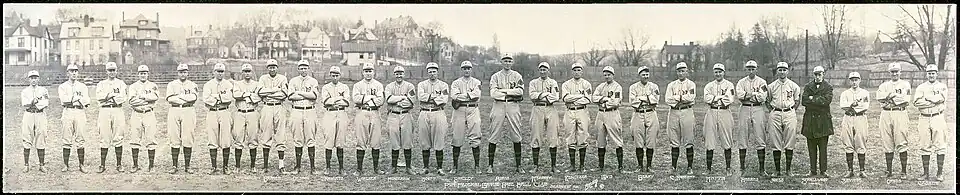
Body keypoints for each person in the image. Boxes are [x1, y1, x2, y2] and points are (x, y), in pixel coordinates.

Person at [487, 54, 526, 174]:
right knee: (494, 133)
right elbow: (493, 93)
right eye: (505, 61)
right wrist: (510, 93)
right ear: (501, 62)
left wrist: (503, 91)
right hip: (498, 105)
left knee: (516, 134)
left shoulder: (517, 75)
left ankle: (519, 165)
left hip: (512, 105)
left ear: (512, 62)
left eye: (509, 61)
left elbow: (520, 91)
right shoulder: (495, 76)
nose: (507, 63)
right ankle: (490, 165)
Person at [875, 62, 911, 179]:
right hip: (886, 113)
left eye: (897, 71)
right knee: (887, 141)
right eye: (892, 71)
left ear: (900, 72)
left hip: (900, 113)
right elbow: (879, 98)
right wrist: (892, 96)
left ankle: (903, 171)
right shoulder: (884, 85)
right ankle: (889, 170)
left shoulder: (905, 84)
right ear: (889, 72)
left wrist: (889, 97)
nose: (894, 73)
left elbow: (906, 100)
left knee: (901, 140)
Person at [766, 62, 802, 177]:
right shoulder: (771, 86)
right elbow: (767, 101)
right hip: (775, 113)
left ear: (788, 71)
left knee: (790, 141)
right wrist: (772, 110)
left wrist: (791, 111)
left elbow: (797, 101)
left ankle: (788, 170)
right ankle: (777, 170)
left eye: (784, 70)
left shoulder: (794, 86)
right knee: (775, 141)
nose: (782, 72)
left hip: (789, 113)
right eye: (780, 70)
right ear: (777, 71)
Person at [913, 64, 948, 182]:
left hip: (937, 117)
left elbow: (942, 99)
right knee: (924, 145)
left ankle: (939, 173)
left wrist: (926, 99)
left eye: (933, 73)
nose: (931, 75)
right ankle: (925, 173)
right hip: (924, 118)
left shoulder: (942, 86)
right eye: (929, 73)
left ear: (937, 74)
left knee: (940, 145)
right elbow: (917, 102)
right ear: (926, 74)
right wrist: (933, 101)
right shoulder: (921, 87)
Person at [734, 60, 768, 177]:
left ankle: (762, 169)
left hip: (758, 109)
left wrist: (748, 95)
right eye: (749, 68)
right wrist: (754, 95)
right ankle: (742, 167)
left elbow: (762, 97)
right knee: (743, 136)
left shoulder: (762, 82)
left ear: (756, 69)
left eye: (753, 68)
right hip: (744, 108)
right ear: (746, 69)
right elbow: (740, 96)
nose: (751, 70)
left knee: (760, 136)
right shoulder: (741, 82)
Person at [800, 66, 834, 178]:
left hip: (823, 120)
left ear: (823, 74)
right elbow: (804, 101)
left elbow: (826, 101)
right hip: (810, 120)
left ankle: (823, 170)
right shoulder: (808, 86)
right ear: (813, 74)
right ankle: (812, 170)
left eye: (820, 74)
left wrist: (812, 99)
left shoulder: (828, 87)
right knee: (811, 147)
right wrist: (817, 100)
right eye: (816, 74)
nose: (818, 76)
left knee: (823, 147)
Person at [287, 60, 320, 175]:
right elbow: (290, 96)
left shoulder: (313, 81)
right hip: (296, 111)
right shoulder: (293, 81)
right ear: (298, 69)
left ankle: (312, 167)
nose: (303, 70)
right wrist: (306, 95)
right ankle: (298, 166)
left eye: (305, 68)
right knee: (298, 138)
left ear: (308, 68)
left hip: (310, 111)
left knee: (311, 138)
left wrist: (299, 93)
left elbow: (314, 96)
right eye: (301, 68)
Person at [450, 61, 483, 174]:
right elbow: (454, 96)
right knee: (457, 137)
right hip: (459, 110)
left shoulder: (476, 82)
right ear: (461, 69)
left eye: (468, 68)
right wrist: (469, 95)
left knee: (475, 136)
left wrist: (462, 96)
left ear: (471, 69)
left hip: (473, 109)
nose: (466, 70)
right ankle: (455, 166)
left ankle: (477, 166)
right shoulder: (456, 82)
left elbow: (476, 95)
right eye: (464, 68)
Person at [202, 63, 236, 175]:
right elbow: (206, 99)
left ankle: (225, 166)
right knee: (212, 139)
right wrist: (220, 98)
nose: (220, 73)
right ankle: (214, 166)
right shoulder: (208, 84)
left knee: (226, 139)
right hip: (212, 112)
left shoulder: (228, 84)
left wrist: (216, 97)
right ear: (214, 72)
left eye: (222, 71)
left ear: (224, 72)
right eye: (218, 71)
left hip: (224, 111)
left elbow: (229, 99)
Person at [257, 59, 289, 174]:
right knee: (266, 134)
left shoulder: (282, 78)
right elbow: (260, 92)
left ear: (277, 68)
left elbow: (284, 94)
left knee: (280, 134)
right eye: (270, 67)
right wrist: (275, 90)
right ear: (267, 68)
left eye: (274, 67)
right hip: (267, 107)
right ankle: (265, 165)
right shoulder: (262, 78)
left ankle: (281, 164)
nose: (272, 69)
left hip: (279, 107)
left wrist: (269, 93)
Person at [417, 62, 450, 175]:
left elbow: (444, 100)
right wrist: (436, 97)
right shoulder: (421, 84)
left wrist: (429, 98)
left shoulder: (443, 85)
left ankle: (439, 168)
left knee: (439, 140)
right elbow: (421, 97)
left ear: (437, 72)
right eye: (430, 72)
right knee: (424, 141)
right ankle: (425, 167)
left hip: (438, 113)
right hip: (424, 112)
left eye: (434, 71)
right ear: (427, 73)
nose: (432, 74)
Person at [166, 63, 199, 174]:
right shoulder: (171, 84)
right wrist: (185, 98)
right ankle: (174, 165)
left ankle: (187, 166)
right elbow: (170, 99)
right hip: (174, 110)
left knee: (188, 137)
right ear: (178, 73)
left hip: (188, 110)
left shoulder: (192, 84)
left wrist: (179, 96)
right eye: (181, 72)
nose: (183, 74)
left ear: (187, 72)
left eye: (185, 71)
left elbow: (194, 98)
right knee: (174, 136)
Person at [702, 63, 735, 175]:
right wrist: (718, 98)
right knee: (709, 139)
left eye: (720, 71)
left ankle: (728, 168)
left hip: (725, 111)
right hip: (711, 111)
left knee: (726, 138)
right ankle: (708, 168)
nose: (718, 74)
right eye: (716, 72)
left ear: (723, 72)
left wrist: (714, 99)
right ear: (713, 73)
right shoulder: (709, 85)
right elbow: (707, 99)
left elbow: (729, 99)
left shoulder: (729, 85)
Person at [95, 62, 128, 173]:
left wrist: (108, 96)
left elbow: (122, 98)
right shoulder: (101, 83)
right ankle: (102, 165)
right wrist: (110, 95)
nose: (112, 72)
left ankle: (119, 164)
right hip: (104, 110)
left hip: (117, 109)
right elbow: (99, 97)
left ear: (116, 71)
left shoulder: (121, 83)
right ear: (106, 71)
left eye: (114, 70)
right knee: (104, 136)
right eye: (110, 70)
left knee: (118, 136)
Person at [384, 66, 417, 175]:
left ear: (404, 74)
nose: (399, 75)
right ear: (394, 74)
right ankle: (394, 167)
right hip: (393, 115)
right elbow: (388, 99)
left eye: (401, 73)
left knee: (407, 141)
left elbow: (411, 102)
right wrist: (402, 98)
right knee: (394, 141)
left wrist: (396, 101)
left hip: (406, 115)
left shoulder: (409, 86)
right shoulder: (389, 86)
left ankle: (408, 167)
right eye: (397, 73)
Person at [528, 62, 560, 173]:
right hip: (537, 109)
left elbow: (555, 97)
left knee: (553, 136)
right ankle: (535, 165)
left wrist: (540, 95)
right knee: (536, 135)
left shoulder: (552, 82)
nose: (542, 71)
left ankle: (553, 166)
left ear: (548, 70)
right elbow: (532, 96)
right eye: (541, 69)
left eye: (544, 69)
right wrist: (545, 94)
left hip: (550, 108)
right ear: (538, 70)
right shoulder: (533, 82)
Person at [352, 63, 385, 175]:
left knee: (375, 141)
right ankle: (359, 169)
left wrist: (364, 99)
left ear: (373, 72)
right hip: (362, 112)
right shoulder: (357, 85)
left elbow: (381, 100)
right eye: (366, 71)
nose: (368, 73)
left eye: (370, 70)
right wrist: (370, 97)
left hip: (375, 112)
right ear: (363, 72)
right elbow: (355, 99)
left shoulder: (379, 85)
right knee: (361, 140)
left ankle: (376, 169)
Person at [127, 65, 160, 173]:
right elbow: (132, 101)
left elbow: (155, 98)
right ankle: (135, 165)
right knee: (135, 139)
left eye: (145, 73)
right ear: (138, 74)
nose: (143, 75)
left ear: (148, 74)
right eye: (141, 73)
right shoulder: (133, 86)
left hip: (149, 113)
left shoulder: (153, 85)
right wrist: (148, 100)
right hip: (136, 113)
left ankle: (151, 165)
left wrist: (143, 98)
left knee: (150, 139)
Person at [665, 62, 697, 175]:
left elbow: (691, 97)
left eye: (683, 70)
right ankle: (673, 166)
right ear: (676, 72)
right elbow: (668, 99)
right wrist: (683, 98)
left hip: (687, 111)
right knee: (674, 140)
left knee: (688, 140)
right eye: (679, 71)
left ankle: (690, 167)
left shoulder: (691, 84)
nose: (681, 73)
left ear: (687, 72)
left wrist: (677, 98)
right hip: (673, 112)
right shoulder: (671, 85)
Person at [58, 64, 91, 173]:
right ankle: (66, 165)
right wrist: (76, 99)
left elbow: (86, 101)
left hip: (80, 112)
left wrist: (76, 100)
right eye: (71, 71)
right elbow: (64, 100)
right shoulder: (62, 86)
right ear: (67, 73)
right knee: (66, 139)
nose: (74, 73)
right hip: (68, 111)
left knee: (80, 138)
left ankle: (81, 164)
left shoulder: (82, 86)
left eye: (76, 71)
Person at [592, 66, 625, 173]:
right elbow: (594, 98)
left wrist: (602, 101)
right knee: (600, 139)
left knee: (617, 140)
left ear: (613, 75)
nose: (607, 76)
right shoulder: (601, 86)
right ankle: (601, 166)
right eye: (605, 74)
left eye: (609, 74)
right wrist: (605, 99)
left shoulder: (617, 87)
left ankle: (620, 166)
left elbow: (615, 102)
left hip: (612, 113)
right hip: (601, 114)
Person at [320, 66, 351, 175]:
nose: (335, 77)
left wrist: (333, 100)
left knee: (340, 141)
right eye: (333, 75)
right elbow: (326, 102)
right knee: (329, 140)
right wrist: (339, 98)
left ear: (340, 75)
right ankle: (327, 167)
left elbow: (346, 102)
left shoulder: (344, 87)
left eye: (337, 75)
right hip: (329, 113)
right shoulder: (325, 87)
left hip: (341, 113)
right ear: (330, 75)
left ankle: (341, 168)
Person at [561, 63, 592, 172]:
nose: (577, 72)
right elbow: (565, 98)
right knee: (570, 136)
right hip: (569, 111)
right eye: (574, 70)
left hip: (582, 110)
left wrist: (573, 98)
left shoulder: (586, 84)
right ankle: (572, 165)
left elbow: (588, 99)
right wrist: (580, 96)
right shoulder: (566, 84)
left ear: (582, 71)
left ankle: (582, 166)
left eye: (579, 70)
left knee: (583, 136)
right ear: (572, 71)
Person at [232, 63, 263, 174]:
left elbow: (258, 97)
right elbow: (236, 95)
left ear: (252, 72)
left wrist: (244, 95)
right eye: (245, 71)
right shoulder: (237, 83)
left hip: (252, 112)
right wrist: (248, 94)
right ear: (242, 73)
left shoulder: (257, 84)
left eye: (249, 71)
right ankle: (237, 166)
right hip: (240, 112)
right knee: (238, 138)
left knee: (253, 138)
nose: (247, 73)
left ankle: (253, 166)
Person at [628, 66, 659, 174]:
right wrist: (647, 98)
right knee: (638, 139)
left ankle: (649, 166)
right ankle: (640, 165)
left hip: (651, 112)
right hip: (638, 113)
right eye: (643, 74)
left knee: (651, 139)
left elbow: (655, 101)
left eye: (647, 74)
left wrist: (641, 98)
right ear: (639, 75)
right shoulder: (633, 87)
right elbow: (633, 102)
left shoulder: (654, 86)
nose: (645, 76)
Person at [838, 71, 868, 178]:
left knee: (861, 141)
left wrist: (852, 107)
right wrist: (852, 105)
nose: (854, 82)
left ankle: (862, 170)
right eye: (852, 80)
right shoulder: (845, 93)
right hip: (848, 117)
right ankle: (850, 170)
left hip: (860, 117)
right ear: (849, 81)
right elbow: (843, 106)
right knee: (848, 141)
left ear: (859, 80)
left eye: (856, 80)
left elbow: (865, 106)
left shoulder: (865, 93)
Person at [21, 70, 50, 173]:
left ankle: (41, 165)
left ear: (38, 79)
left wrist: (36, 104)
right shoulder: (25, 91)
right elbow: (24, 103)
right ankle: (26, 165)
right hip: (28, 114)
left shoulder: (43, 90)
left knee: (41, 137)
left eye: (35, 77)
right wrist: (32, 102)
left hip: (40, 114)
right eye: (31, 78)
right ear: (29, 79)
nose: (33, 80)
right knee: (27, 137)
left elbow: (46, 103)